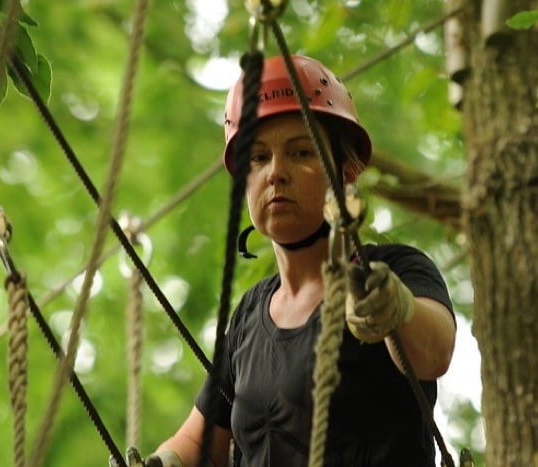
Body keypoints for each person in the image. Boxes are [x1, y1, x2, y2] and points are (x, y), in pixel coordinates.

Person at [144, 55, 456, 467]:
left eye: (300, 152)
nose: (276, 173)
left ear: (345, 171)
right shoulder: (250, 315)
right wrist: (161, 462)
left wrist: (395, 309)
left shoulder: (395, 271)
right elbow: (200, 442)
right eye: (257, 158)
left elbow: (433, 352)